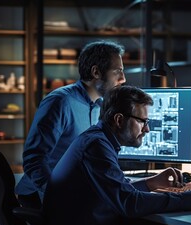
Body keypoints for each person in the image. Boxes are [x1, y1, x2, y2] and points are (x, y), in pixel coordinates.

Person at [42, 85, 191, 225]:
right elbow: (129, 203)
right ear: (119, 120)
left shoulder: (98, 139)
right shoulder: (97, 146)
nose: (147, 129)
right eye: (142, 121)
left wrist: (151, 183)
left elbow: (118, 192)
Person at [15, 40, 127, 208]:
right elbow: (34, 159)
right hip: (43, 195)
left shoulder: (100, 106)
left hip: (72, 191)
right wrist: (57, 195)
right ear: (96, 72)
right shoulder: (60, 101)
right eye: (118, 71)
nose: (123, 79)